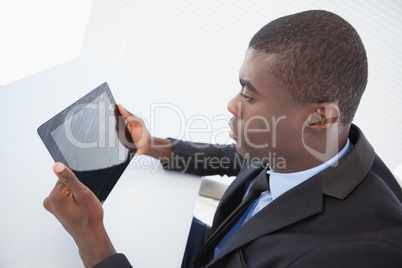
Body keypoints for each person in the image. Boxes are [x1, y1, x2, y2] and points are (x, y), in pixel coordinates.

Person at [43, 10, 402, 268]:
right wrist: (152, 145)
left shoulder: (351, 254)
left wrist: (93, 243)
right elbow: (233, 157)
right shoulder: (309, 150)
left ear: (319, 117)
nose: (232, 105)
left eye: (249, 96)